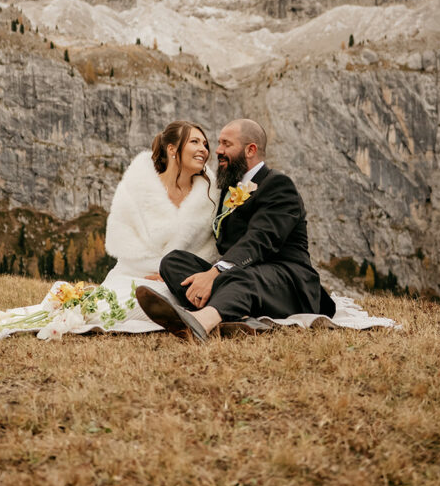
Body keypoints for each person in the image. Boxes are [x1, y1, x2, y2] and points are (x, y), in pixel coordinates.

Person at [0, 120, 220, 338]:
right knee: (110, 304)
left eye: (205, 144)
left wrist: (172, 274)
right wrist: (153, 270)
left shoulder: (210, 196)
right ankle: (48, 315)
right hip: (133, 274)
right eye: (195, 142)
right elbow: (127, 241)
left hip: (178, 283)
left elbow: (208, 248)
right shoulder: (144, 189)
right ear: (172, 149)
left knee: (153, 303)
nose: (204, 149)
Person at [136, 118, 336, 342]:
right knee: (173, 262)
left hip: (287, 282)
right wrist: (201, 272)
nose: (218, 150)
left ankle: (201, 322)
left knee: (239, 276)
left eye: (226, 144)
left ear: (250, 150)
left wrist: (213, 274)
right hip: (241, 275)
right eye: (219, 143)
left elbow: (259, 240)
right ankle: (235, 317)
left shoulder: (279, 185)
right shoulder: (229, 190)